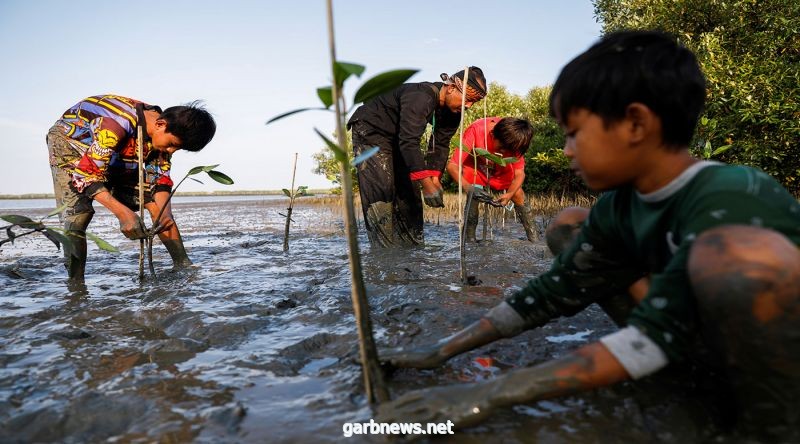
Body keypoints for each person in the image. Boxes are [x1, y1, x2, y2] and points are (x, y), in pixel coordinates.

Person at [376, 31, 800, 439]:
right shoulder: (620, 205)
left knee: (739, 258)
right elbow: (554, 291)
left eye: (574, 133)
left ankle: (771, 429)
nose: (566, 150)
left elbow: (681, 317)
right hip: (679, 335)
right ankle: (663, 366)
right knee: (570, 227)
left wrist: (491, 392)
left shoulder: (734, 196)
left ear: (635, 124)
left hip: (766, 358)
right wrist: (444, 350)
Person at [47, 95, 216, 282]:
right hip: (71, 144)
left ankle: (182, 263)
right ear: (160, 125)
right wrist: (123, 213)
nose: (170, 152)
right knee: (78, 216)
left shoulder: (164, 129)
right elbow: (86, 175)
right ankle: (76, 283)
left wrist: (165, 213)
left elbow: (160, 178)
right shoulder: (116, 126)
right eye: (172, 146)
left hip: (117, 149)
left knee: (157, 208)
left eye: (177, 149)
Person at [347, 67, 487, 247]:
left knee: (410, 195)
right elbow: (409, 142)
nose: (468, 106)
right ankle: (383, 252)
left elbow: (440, 144)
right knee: (381, 190)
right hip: (371, 130)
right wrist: (427, 184)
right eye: (467, 99)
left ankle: (413, 250)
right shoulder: (421, 96)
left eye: (473, 103)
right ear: (451, 88)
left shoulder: (454, 113)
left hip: (399, 138)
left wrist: (434, 178)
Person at [446, 117, 537, 242]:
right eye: (501, 148)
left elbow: (519, 174)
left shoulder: (516, 141)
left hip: (502, 167)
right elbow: (452, 166)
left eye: (509, 151)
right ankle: (469, 239)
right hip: (476, 166)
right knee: (473, 196)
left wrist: (509, 194)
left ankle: (534, 238)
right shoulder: (476, 130)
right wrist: (469, 188)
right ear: (493, 135)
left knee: (518, 193)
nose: (504, 152)